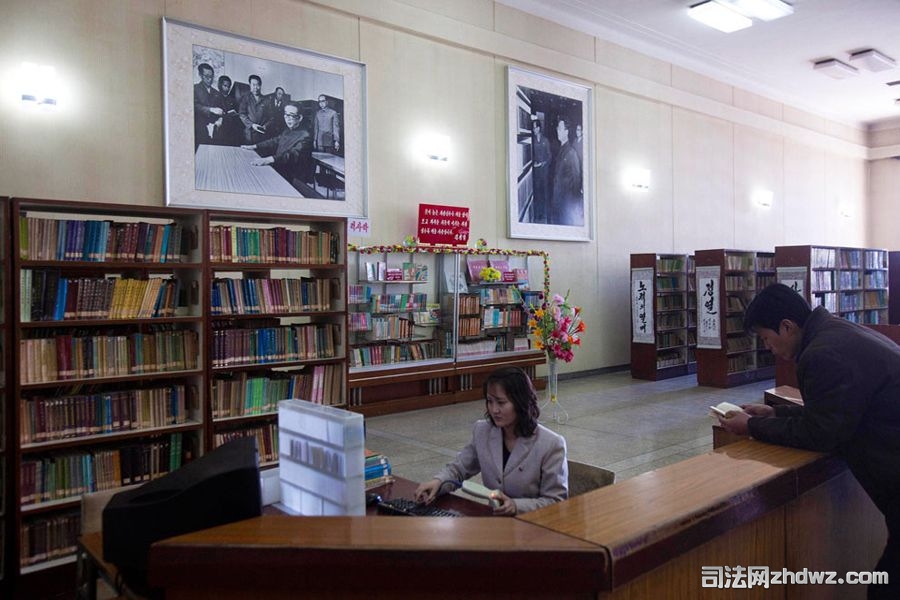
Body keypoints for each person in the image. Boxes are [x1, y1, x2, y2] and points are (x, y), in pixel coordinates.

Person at [717, 283, 900, 599]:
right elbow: (835, 410)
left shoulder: (821, 354)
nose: (768, 347)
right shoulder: (835, 331)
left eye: (766, 338)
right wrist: (776, 414)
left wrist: (753, 427)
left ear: (786, 326)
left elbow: (822, 434)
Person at [414, 367, 568, 515]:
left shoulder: (551, 444)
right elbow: (459, 469)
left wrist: (516, 506)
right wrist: (438, 482)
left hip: (534, 526)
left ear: (521, 403)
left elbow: (556, 502)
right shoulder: (482, 431)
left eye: (501, 403)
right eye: (490, 401)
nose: (494, 410)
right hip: (495, 521)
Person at [241, 102, 312, 184]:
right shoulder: (287, 130)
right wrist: (254, 146)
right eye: (286, 114)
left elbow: (292, 155)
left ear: (299, 118)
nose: (287, 118)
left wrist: (267, 160)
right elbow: (274, 141)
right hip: (279, 169)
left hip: (292, 178)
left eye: (291, 115)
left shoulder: (306, 135)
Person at [550, 118, 583, 226]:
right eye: (557, 128)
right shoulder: (561, 149)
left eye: (560, 128)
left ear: (566, 132)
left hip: (565, 207)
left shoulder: (571, 153)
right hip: (558, 203)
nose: (557, 131)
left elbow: (576, 183)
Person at [193, 63, 224, 149]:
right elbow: (194, 106)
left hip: (216, 130)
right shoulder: (194, 89)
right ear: (200, 75)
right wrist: (211, 109)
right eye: (207, 76)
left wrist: (220, 119)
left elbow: (222, 110)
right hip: (200, 129)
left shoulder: (217, 93)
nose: (210, 79)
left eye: (212, 77)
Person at [239, 74, 273, 144]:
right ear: (250, 85)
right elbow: (242, 114)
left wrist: (265, 126)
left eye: (258, 85)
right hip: (249, 133)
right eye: (253, 85)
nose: (256, 87)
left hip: (262, 134)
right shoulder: (245, 98)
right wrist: (252, 125)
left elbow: (271, 117)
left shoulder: (266, 100)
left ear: (260, 86)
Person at [530, 119, 551, 224]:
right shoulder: (532, 141)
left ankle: (544, 214)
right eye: (533, 128)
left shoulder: (545, 140)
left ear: (539, 128)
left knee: (544, 193)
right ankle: (537, 214)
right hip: (535, 173)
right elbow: (530, 156)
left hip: (544, 172)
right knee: (537, 193)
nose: (534, 130)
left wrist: (542, 163)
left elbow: (549, 157)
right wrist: (533, 163)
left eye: (535, 127)